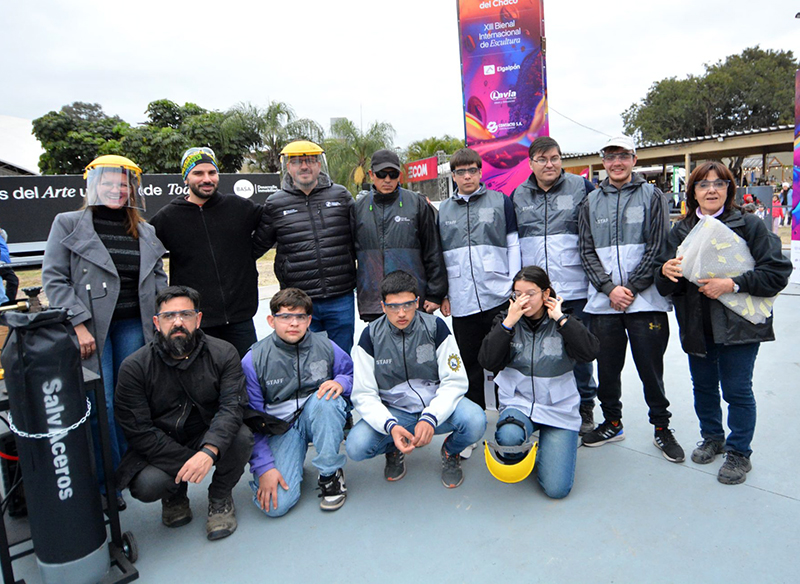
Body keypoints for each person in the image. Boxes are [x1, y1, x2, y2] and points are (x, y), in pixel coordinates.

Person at [42, 154, 167, 508]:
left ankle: (133, 468)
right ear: (94, 185)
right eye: (109, 182)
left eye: (123, 183)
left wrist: (163, 318)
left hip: (134, 325)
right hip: (92, 329)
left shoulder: (145, 229)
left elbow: (158, 277)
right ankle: (106, 481)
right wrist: (78, 324)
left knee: (133, 399)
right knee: (103, 402)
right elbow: (54, 278)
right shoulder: (68, 223)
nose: (116, 188)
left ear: (132, 188)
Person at [656, 161, 791, 485]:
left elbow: (777, 272)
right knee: (702, 386)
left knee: (737, 389)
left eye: (719, 183)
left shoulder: (748, 226)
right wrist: (666, 273)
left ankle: (739, 452)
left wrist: (732, 284)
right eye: (703, 185)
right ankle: (712, 437)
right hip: (696, 322)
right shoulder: (680, 231)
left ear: (730, 189)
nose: (712, 190)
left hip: (739, 325)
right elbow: (664, 285)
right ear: (693, 192)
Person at [577, 136, 685, 463]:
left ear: (634, 159)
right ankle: (612, 421)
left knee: (650, 369)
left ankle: (662, 428)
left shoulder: (653, 196)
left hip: (645, 302)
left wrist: (632, 289)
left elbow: (657, 247)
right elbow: (586, 251)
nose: (617, 163)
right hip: (604, 303)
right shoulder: (590, 202)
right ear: (603, 161)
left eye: (623, 156)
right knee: (607, 368)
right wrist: (610, 289)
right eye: (610, 157)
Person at [115, 286, 253, 540]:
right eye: (169, 316)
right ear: (157, 322)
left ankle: (220, 495)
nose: (178, 322)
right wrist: (192, 459)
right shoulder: (134, 367)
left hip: (207, 433)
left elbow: (232, 408)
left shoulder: (224, 353)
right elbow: (138, 430)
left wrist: (209, 452)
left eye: (186, 314)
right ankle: (174, 495)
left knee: (242, 437)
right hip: (163, 444)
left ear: (198, 319)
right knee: (147, 485)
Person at [346, 271, 487, 488]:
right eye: (393, 306)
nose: (401, 313)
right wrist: (390, 425)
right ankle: (394, 448)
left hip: (434, 408)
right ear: (383, 306)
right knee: (356, 446)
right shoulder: (370, 336)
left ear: (417, 302)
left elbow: (455, 381)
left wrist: (431, 416)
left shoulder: (436, 327)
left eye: (408, 304)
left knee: (476, 420)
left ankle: (451, 452)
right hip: (395, 413)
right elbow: (364, 393)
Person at [478, 266, 599, 498]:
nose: (523, 300)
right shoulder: (505, 321)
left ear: (546, 294)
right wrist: (507, 326)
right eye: (517, 294)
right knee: (509, 438)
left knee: (556, 489)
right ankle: (530, 444)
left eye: (530, 293)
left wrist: (562, 320)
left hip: (558, 408)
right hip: (519, 404)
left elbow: (590, 352)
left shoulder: (564, 320)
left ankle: (552, 448)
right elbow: (487, 361)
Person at [512, 136, 599, 435]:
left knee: (578, 350)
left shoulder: (581, 188)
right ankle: (543, 408)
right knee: (541, 351)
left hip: (574, 290)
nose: (549, 164)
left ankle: (586, 406)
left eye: (555, 158)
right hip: (535, 295)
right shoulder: (518, 196)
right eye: (542, 159)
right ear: (531, 163)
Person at [242, 288, 352, 516]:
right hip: (281, 429)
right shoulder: (254, 359)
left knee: (327, 401)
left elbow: (349, 373)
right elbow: (252, 419)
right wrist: (264, 468)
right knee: (275, 507)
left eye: (300, 317)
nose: (293, 323)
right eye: (285, 317)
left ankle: (330, 474)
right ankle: (291, 457)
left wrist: (341, 382)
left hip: (317, 417)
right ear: (271, 320)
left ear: (309, 320)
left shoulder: (326, 346)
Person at [150, 147, 264, 357]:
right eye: (198, 173)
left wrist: (251, 252)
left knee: (247, 378)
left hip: (241, 318)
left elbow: (272, 224)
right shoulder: (167, 218)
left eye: (212, 173)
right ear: (186, 178)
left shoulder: (239, 207)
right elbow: (147, 257)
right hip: (197, 320)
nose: (207, 179)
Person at [438, 147, 521, 419]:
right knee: (469, 363)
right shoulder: (443, 211)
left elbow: (513, 244)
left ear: (480, 171)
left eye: (472, 170)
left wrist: (515, 288)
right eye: (460, 172)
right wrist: (444, 294)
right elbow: (439, 255)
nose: (467, 176)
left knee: (503, 360)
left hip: (498, 296)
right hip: (462, 301)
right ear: (453, 176)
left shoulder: (500, 201)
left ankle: (508, 415)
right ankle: (474, 421)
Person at [254, 141, 357, 353]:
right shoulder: (275, 203)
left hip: (340, 295)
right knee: (305, 356)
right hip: (298, 300)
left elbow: (361, 237)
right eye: (297, 162)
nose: (304, 167)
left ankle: (342, 387)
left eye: (310, 160)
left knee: (342, 355)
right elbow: (257, 246)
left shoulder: (341, 196)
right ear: (288, 167)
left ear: (319, 165)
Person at [352, 149, 447, 321]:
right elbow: (348, 254)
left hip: (413, 300)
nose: (387, 179)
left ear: (399, 176)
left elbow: (433, 250)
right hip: (373, 301)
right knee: (379, 347)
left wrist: (435, 294)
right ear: (371, 174)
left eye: (393, 174)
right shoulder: (357, 208)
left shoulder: (417, 203)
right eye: (381, 174)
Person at [0, 229, 19, 306]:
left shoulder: (2, 235)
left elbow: (4, 237)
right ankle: (4, 303)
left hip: (4, 262)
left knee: (13, 281)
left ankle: (8, 304)